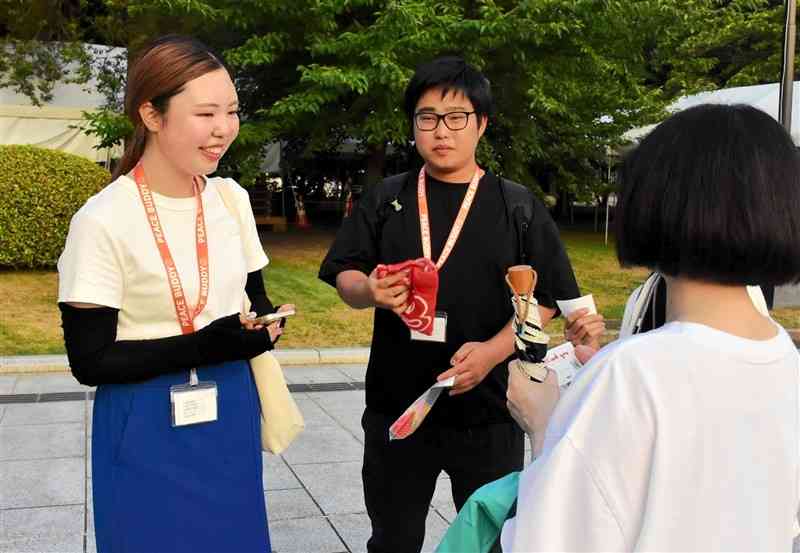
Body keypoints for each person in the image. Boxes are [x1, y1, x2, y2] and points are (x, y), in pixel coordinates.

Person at [318, 56, 603, 553]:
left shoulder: (516, 206)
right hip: (398, 404)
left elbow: (550, 302)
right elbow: (344, 272)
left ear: (481, 124)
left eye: (456, 118)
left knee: (494, 538)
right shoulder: (388, 199)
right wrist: (369, 290)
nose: (440, 131)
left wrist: (493, 351)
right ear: (413, 125)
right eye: (426, 118)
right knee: (393, 537)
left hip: (491, 408)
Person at [503, 103, 800, 551]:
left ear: (656, 204)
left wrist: (542, 422)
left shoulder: (631, 375)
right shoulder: (785, 361)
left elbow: (550, 540)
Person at [57, 35, 292, 552]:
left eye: (231, 111)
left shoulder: (230, 201)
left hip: (229, 409)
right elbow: (90, 361)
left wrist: (265, 327)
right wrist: (204, 346)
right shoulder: (102, 220)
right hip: (143, 422)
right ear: (152, 115)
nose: (224, 129)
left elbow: (255, 301)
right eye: (205, 113)